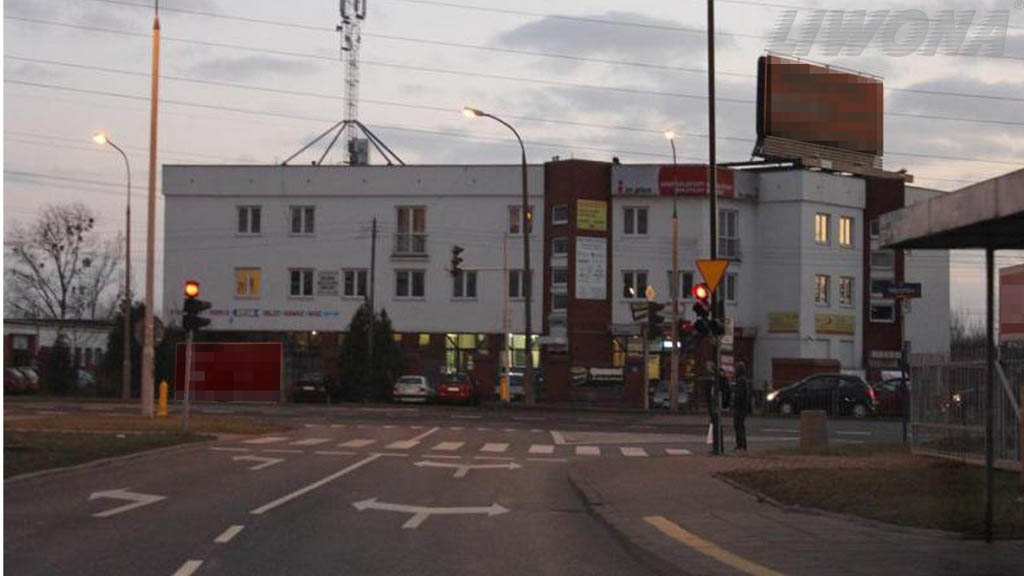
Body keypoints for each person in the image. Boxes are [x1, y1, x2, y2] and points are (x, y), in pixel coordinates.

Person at [732, 362, 750, 452]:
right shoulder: (743, 380)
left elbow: (739, 395)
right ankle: (741, 445)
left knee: (738, 426)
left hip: (739, 408)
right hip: (742, 407)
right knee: (740, 426)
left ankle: (741, 445)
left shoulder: (740, 381)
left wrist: (734, 401)